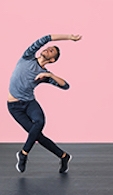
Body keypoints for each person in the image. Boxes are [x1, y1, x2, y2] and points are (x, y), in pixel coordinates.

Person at [7, 34, 82, 173]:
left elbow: (65, 86)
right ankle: (64, 156)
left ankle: (23, 154)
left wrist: (50, 76)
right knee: (37, 136)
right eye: (48, 48)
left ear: (52, 60)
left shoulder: (44, 74)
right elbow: (46, 38)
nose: (48, 49)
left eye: (51, 51)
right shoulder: (28, 56)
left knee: (40, 122)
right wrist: (69, 37)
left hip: (29, 103)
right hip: (14, 107)